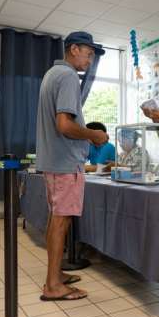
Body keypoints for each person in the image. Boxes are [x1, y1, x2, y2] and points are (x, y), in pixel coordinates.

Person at [35, 31, 107, 301]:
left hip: (54, 161)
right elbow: (64, 125)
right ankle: (53, 285)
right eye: (88, 54)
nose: (89, 60)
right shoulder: (67, 77)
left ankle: (57, 274)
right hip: (65, 162)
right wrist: (94, 135)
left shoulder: (51, 74)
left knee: (58, 219)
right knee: (61, 221)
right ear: (74, 49)